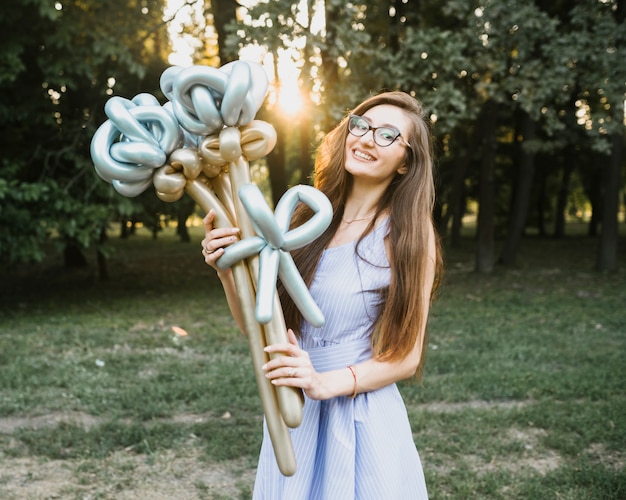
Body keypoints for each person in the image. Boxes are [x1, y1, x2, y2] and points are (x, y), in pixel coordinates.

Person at [201, 91, 443, 499]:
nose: (366, 139)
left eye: (387, 135)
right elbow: (262, 327)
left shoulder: (408, 240)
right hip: (294, 410)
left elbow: (407, 357)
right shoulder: (305, 219)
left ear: (406, 163)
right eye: (360, 126)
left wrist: (324, 382)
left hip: (358, 415)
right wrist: (227, 270)